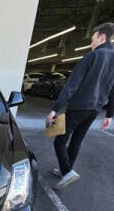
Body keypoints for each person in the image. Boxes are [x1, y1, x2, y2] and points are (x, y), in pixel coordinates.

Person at [45, 22, 114, 189]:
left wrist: (56, 108)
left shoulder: (92, 56)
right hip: (95, 109)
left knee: (59, 141)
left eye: (93, 38)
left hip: (79, 106)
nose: (91, 43)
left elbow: (72, 85)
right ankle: (65, 172)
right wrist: (109, 115)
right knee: (76, 140)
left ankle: (67, 171)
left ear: (102, 37)